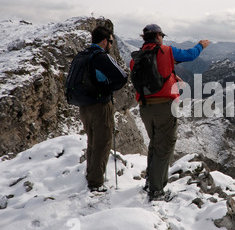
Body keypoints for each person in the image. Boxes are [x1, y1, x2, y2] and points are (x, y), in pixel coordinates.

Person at [130, 24, 210, 201]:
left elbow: (151, 78)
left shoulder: (136, 57)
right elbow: (190, 55)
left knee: (155, 143)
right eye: (162, 36)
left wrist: (173, 77)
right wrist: (201, 45)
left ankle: (150, 183)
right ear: (158, 36)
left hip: (144, 107)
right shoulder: (167, 51)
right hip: (164, 107)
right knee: (164, 147)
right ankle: (157, 191)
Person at [66, 26, 128, 192]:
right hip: (100, 105)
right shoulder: (101, 57)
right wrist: (108, 88)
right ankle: (96, 183)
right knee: (103, 141)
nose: (111, 45)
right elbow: (122, 77)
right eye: (111, 41)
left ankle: (91, 175)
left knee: (92, 141)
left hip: (84, 106)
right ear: (104, 40)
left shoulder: (83, 55)